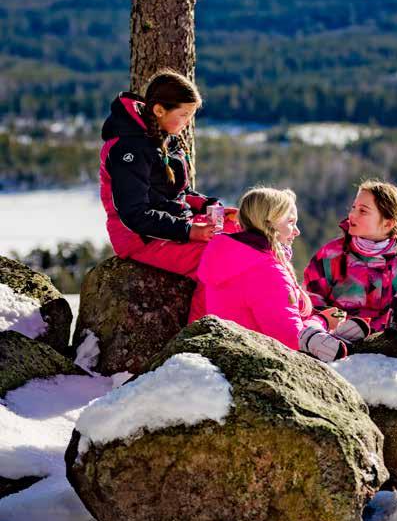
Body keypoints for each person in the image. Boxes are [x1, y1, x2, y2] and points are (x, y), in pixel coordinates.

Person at [99, 68, 237, 320]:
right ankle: (200, 335)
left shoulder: (165, 136)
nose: (187, 122)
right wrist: (188, 232)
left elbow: (178, 191)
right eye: (184, 115)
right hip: (141, 238)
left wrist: (208, 206)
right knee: (217, 262)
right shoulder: (127, 149)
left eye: (190, 115)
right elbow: (134, 214)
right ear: (159, 110)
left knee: (243, 236)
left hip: (173, 224)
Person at [195, 186, 368, 361]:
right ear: (269, 223)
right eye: (291, 222)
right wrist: (323, 320)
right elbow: (291, 339)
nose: (297, 231)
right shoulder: (266, 270)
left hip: (233, 354)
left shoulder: (232, 256)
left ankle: (334, 336)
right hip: (261, 359)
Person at [304, 179, 397, 337]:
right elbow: (312, 299)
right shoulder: (331, 254)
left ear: (388, 224)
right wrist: (335, 325)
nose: (351, 215)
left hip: (386, 341)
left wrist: (367, 330)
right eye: (354, 207)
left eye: (363, 211)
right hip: (333, 339)